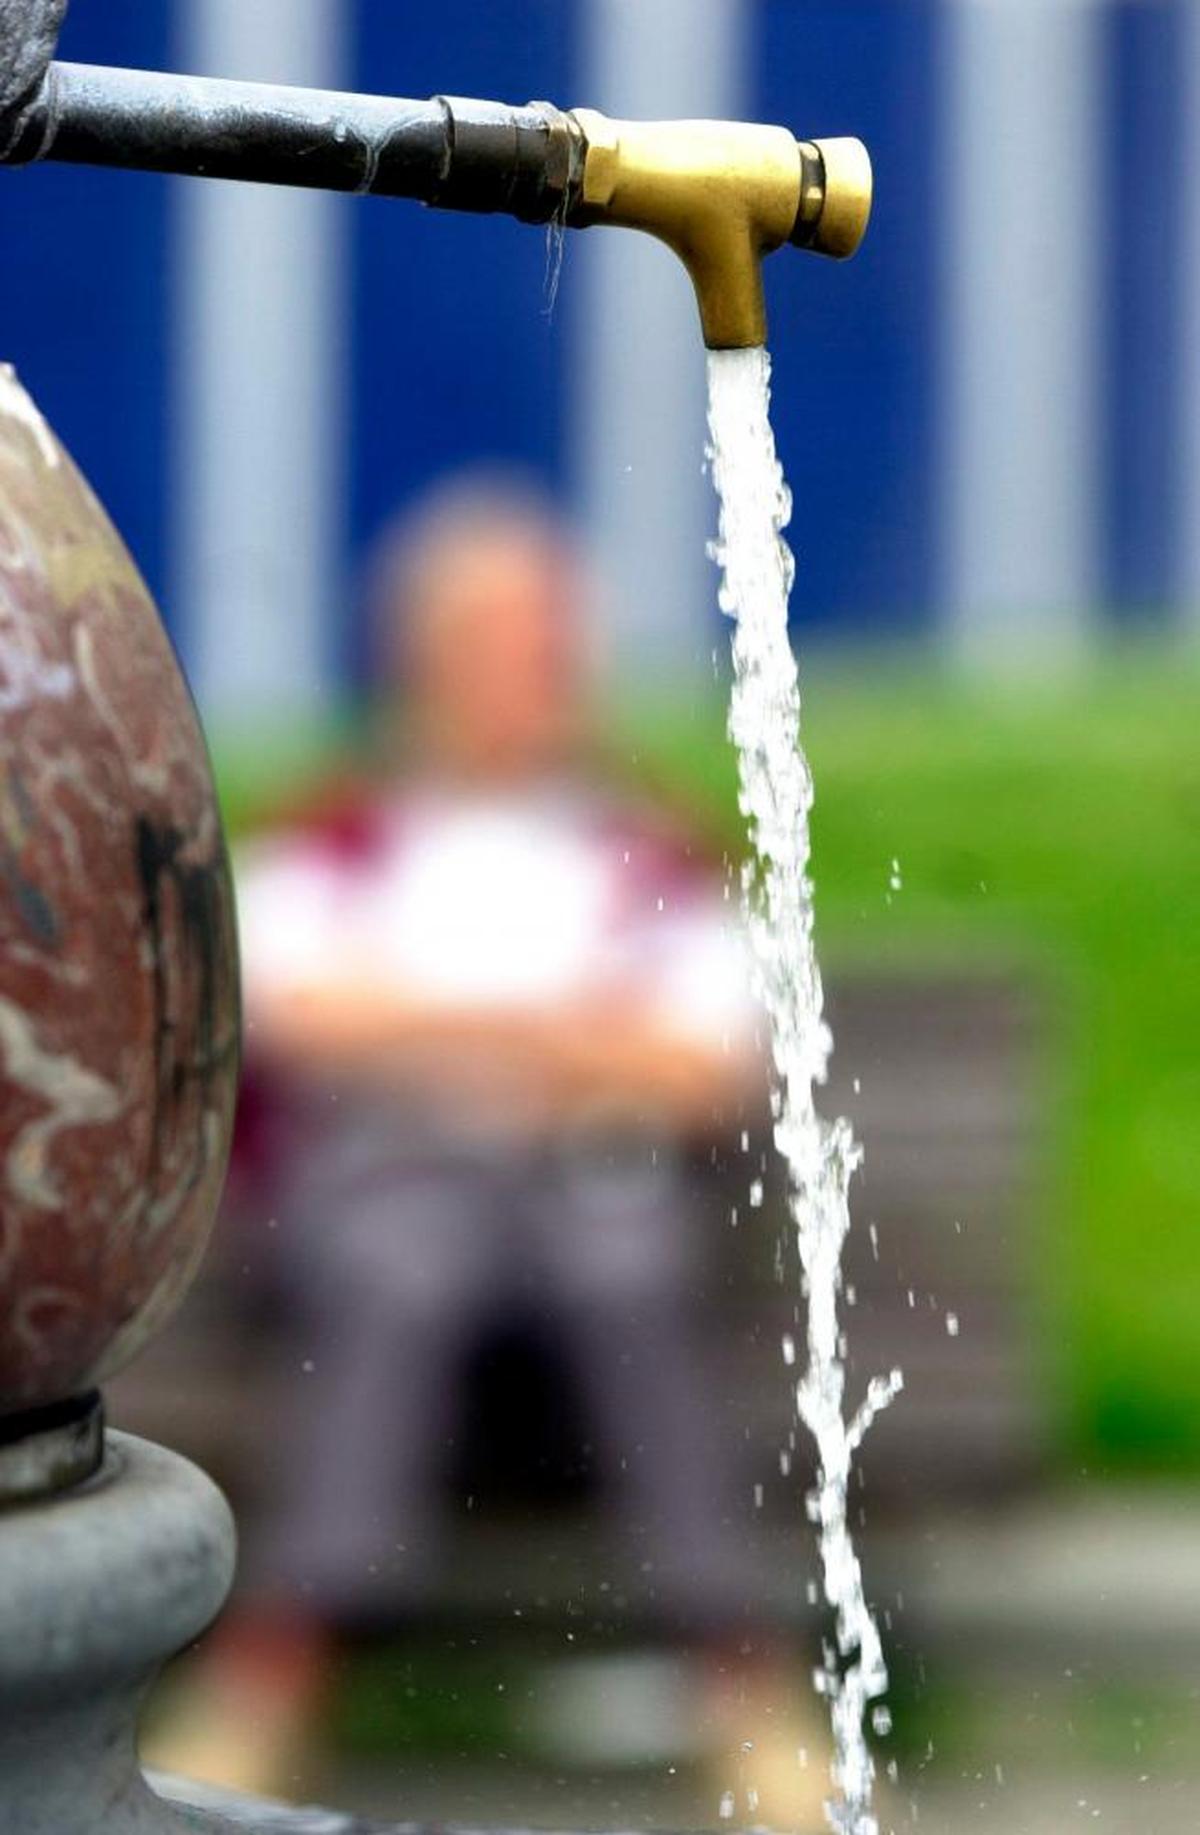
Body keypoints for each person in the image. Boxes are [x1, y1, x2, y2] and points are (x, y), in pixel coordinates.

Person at [157, 477, 827, 1822]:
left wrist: (443, 1035)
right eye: (498, 646)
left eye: (545, 643)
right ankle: (276, 1672)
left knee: (623, 1266)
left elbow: (707, 1065)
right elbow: (295, 1014)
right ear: (423, 663)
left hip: (597, 1206)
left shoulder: (646, 845)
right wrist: (556, 1035)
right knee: (411, 1264)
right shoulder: (338, 836)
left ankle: (744, 1687)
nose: (530, 675)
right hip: (394, 1212)